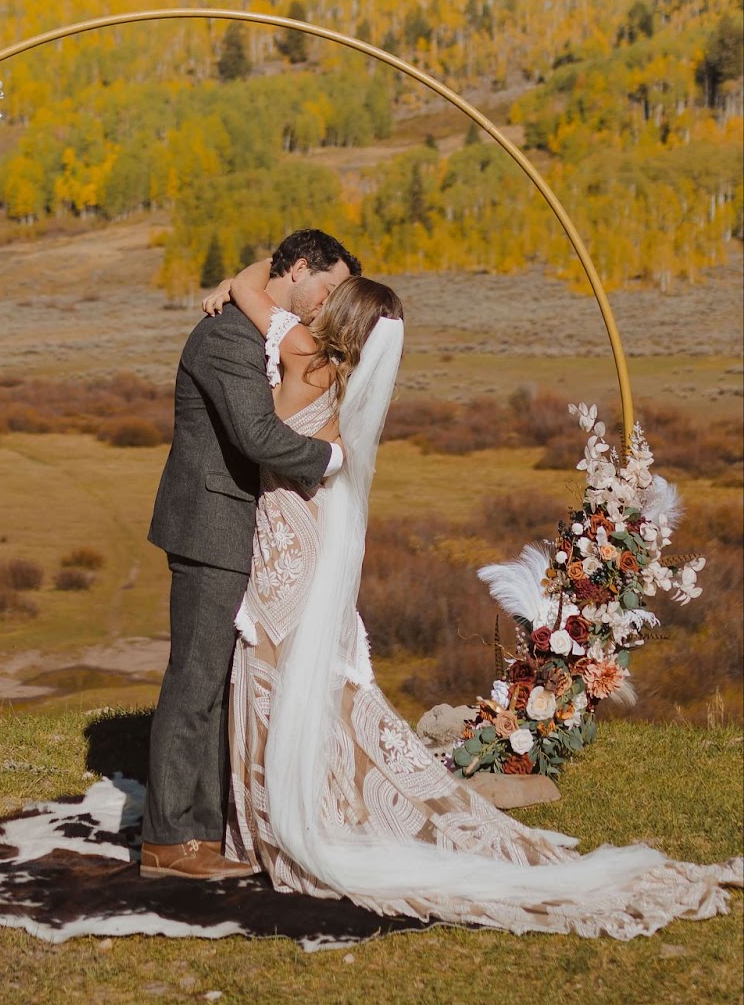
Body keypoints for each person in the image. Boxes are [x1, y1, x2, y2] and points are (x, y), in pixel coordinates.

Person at [197, 258, 742, 938]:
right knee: (296, 670)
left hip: (282, 540)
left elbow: (253, 286)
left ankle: (273, 821)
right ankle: (309, 799)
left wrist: (240, 276)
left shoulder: (299, 350)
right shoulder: (344, 380)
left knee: (270, 664)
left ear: (337, 318)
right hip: (308, 537)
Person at [140, 228, 361, 880]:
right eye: (326, 288)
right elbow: (257, 435)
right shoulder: (228, 337)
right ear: (297, 270)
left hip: (239, 525)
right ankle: (171, 841)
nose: (328, 304)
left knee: (217, 683)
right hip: (212, 523)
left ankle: (205, 830)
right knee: (196, 680)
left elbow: (272, 287)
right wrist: (336, 459)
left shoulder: (259, 324)